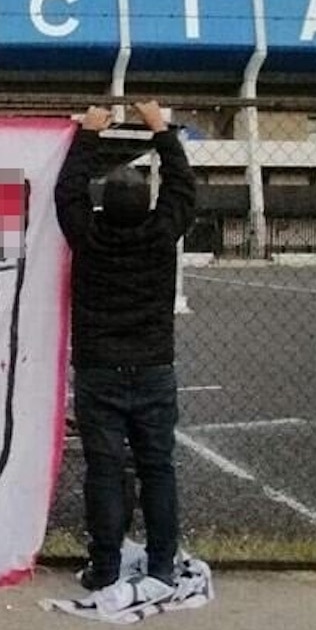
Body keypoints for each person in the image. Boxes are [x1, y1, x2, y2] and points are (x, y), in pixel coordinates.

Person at [54, 100, 196, 596]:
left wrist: (88, 134)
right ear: (148, 205)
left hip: (98, 368)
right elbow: (183, 185)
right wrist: (159, 127)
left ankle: (105, 566)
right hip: (153, 365)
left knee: (106, 469)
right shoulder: (162, 234)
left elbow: (66, 191)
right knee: (158, 467)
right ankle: (161, 566)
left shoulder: (89, 237)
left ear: (102, 204)